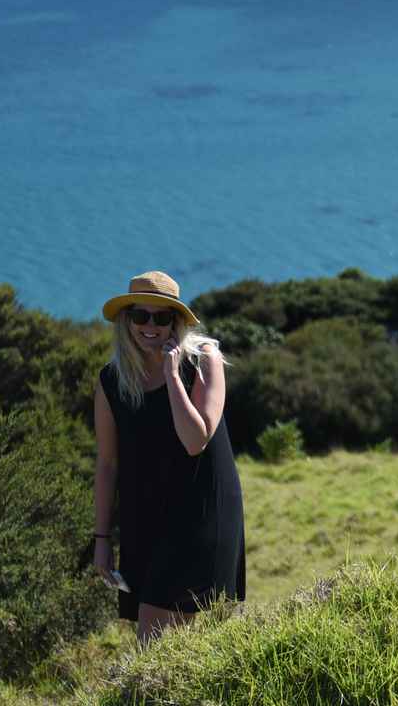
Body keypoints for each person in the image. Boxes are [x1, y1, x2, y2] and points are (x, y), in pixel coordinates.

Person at [90, 270, 245, 646]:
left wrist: (173, 375)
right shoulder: (112, 380)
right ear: (126, 320)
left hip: (202, 513)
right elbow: (108, 464)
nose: (150, 326)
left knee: (164, 640)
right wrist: (101, 538)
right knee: (182, 645)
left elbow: (196, 439)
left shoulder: (204, 360)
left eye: (162, 318)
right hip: (147, 517)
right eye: (140, 316)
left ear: (176, 322)